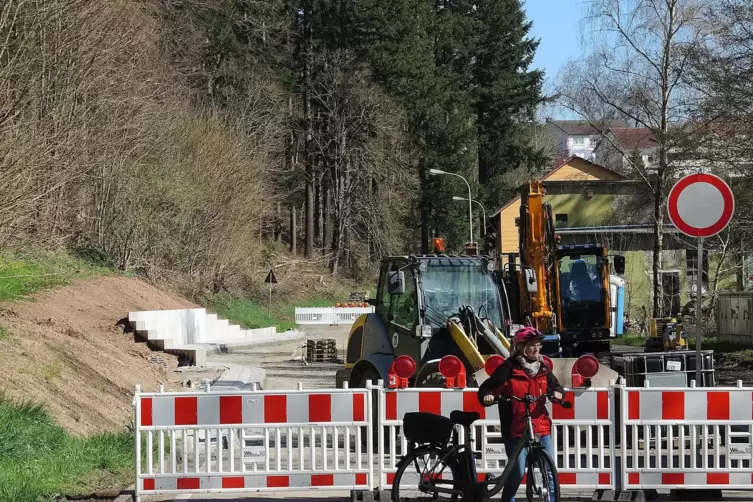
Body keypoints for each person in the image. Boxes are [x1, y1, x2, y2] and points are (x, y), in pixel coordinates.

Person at [477, 327, 564, 502]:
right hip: (515, 426)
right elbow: (487, 387)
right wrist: (488, 396)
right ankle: (508, 499)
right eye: (532, 345)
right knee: (517, 472)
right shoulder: (508, 367)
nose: (536, 349)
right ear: (521, 347)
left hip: (540, 423)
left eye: (538, 345)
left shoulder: (543, 367)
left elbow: (555, 386)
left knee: (550, 469)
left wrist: (558, 393)